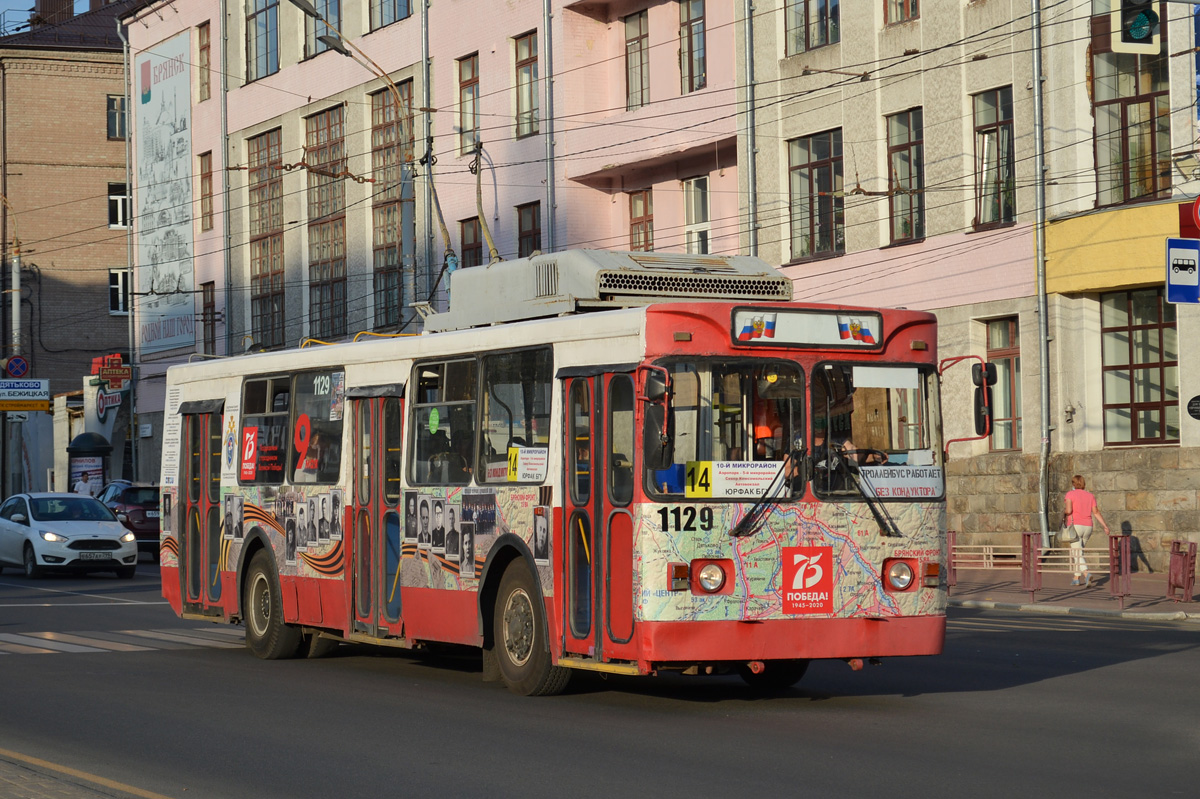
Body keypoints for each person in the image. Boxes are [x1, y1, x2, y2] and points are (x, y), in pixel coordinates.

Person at [1063, 474, 1110, 586]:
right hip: (1088, 526)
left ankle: (1086, 573)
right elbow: (1096, 512)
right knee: (1079, 552)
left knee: (1076, 553)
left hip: (1075, 526)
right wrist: (1105, 526)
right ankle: (1076, 578)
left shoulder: (1070, 494)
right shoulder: (1090, 496)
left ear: (1073, 483)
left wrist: (1064, 512)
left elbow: (1069, 510)